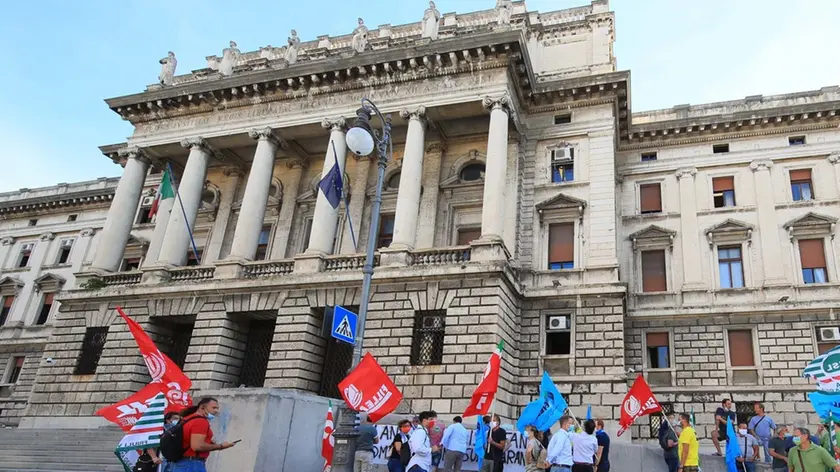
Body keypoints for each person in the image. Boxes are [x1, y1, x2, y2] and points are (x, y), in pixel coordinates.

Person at [170, 397, 236, 472]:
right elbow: (197, 446)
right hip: (192, 464)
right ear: (202, 407)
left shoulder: (187, 419)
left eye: (217, 408)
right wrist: (221, 446)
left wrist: (208, 442)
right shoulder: (200, 421)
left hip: (181, 463)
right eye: (214, 408)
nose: (216, 411)